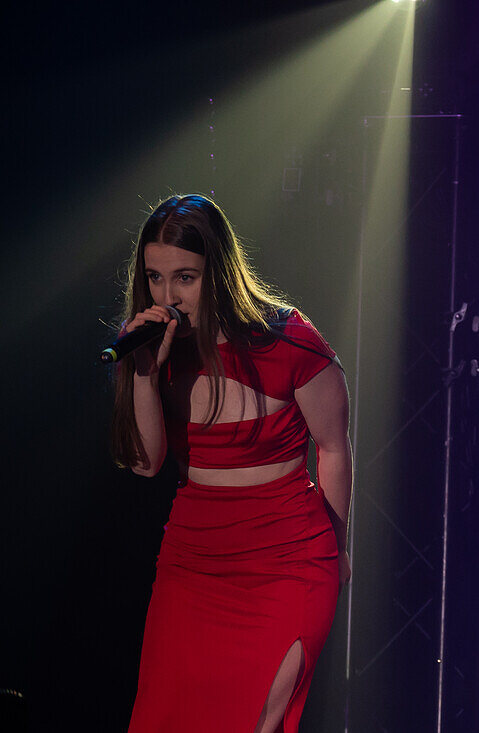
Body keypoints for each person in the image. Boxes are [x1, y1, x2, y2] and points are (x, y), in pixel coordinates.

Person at [110, 194, 353, 732]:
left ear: (217, 272)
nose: (167, 295)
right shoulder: (159, 352)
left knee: (257, 718)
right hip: (194, 562)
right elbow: (148, 463)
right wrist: (145, 373)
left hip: (288, 560)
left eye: (185, 278)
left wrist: (338, 548)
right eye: (154, 277)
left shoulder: (289, 340)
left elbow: (332, 447)